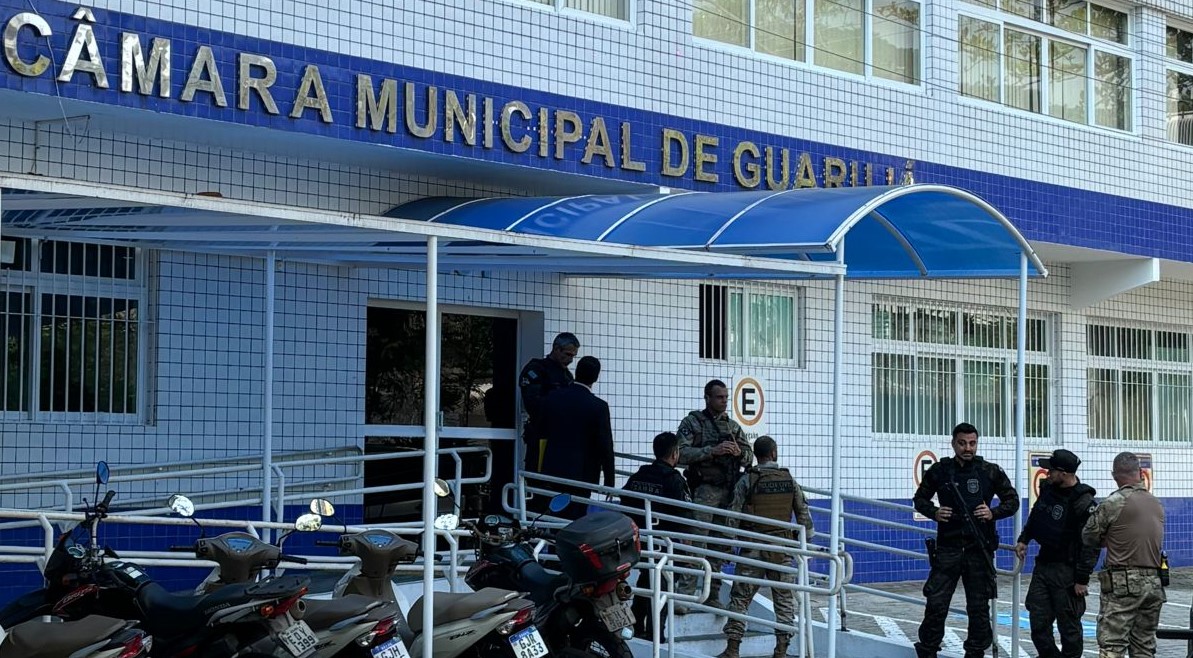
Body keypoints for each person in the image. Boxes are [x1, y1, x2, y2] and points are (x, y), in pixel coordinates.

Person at [912, 422, 1019, 658]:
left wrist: (993, 513)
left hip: (978, 550)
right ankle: (928, 649)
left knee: (978, 608)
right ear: (953, 444)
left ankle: (975, 652)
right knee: (936, 604)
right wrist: (934, 512)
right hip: (948, 548)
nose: (967, 448)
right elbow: (920, 499)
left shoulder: (989, 471)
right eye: (962, 443)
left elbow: (1013, 501)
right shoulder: (940, 471)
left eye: (972, 443)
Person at [717, 436, 814, 658]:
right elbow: (803, 515)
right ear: (774, 453)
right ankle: (781, 651)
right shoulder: (789, 480)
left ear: (757, 455)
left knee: (740, 598)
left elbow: (732, 513)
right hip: (781, 551)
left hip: (752, 548)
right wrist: (806, 542)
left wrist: (728, 545)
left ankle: (732, 649)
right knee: (784, 601)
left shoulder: (748, 480)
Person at [675, 379, 754, 608]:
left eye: (726, 397)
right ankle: (685, 596)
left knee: (720, 546)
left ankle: (712, 595)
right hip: (703, 491)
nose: (724, 401)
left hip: (728, 495)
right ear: (707, 398)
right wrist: (712, 451)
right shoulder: (693, 423)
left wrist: (739, 453)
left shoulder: (732, 427)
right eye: (719, 397)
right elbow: (680, 453)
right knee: (696, 544)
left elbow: (749, 457)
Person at [1013, 449, 1098, 658]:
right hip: (1043, 566)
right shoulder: (1048, 488)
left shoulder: (1083, 503)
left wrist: (1082, 579)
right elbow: (1037, 514)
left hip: (1068, 573)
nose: (1047, 473)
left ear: (1063, 472)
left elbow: (1091, 544)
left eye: (1051, 470)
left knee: (1069, 628)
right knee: (1038, 622)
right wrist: (1024, 538)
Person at [1082, 452, 1166, 658]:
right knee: (1144, 646)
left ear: (1114, 475)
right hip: (1154, 584)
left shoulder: (1114, 502)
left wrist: (1108, 538)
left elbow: (1088, 536)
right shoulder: (1155, 503)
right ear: (1141, 473)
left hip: (1123, 584)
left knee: (1113, 645)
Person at [621, 431, 692, 640]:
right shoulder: (674, 480)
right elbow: (684, 515)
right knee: (662, 588)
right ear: (675, 454)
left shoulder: (639, 475)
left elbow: (625, 502)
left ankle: (635, 625)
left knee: (646, 581)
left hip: (640, 542)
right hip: (665, 545)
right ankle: (655, 634)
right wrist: (686, 549)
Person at [538, 356, 614, 519]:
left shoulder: (553, 398)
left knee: (553, 514)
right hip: (582, 474)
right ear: (595, 377)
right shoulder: (598, 407)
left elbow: (541, 429)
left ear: (576, 372)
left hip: (553, 468)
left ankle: (552, 543)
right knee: (576, 518)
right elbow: (605, 446)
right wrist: (609, 482)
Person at [519, 332, 579, 474]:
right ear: (557, 349)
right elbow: (532, 403)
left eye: (573, 356)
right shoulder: (536, 369)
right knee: (540, 480)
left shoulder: (567, 375)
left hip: (563, 438)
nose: (570, 360)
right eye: (568, 354)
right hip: (542, 436)